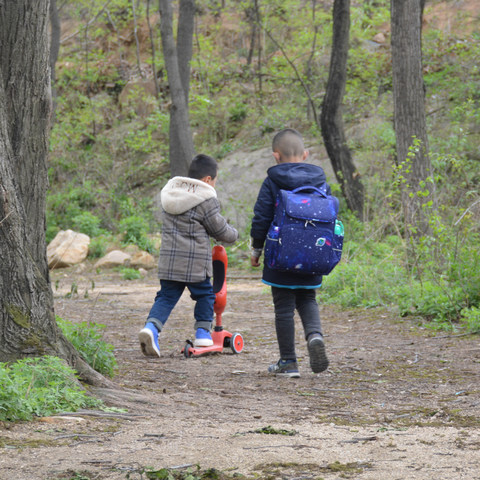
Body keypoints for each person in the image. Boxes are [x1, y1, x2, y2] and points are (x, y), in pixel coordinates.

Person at [139, 154, 238, 357]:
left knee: (166, 297)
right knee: (205, 295)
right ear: (207, 180)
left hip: (169, 261)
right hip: (195, 263)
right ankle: (203, 333)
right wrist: (234, 234)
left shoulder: (171, 196)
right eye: (215, 180)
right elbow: (218, 229)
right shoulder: (205, 200)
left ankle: (151, 329)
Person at [250, 128, 330, 378]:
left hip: (280, 255)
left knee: (283, 306)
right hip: (314, 252)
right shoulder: (320, 181)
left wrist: (256, 249)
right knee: (307, 299)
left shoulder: (273, 180)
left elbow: (262, 216)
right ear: (305, 154)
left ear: (276, 156)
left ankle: (288, 361)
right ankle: (315, 336)